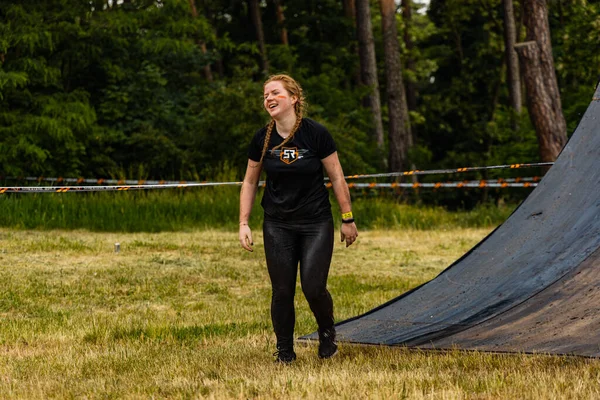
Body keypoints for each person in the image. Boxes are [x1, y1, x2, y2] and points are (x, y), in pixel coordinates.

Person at [238, 74, 359, 363]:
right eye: (265, 94)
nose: (268, 98)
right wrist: (244, 222)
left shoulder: (316, 134)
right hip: (277, 223)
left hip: (315, 221)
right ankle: (285, 351)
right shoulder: (261, 138)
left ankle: (327, 332)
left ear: (293, 98)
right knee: (281, 290)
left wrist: (347, 217)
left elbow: (337, 176)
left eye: (275, 93)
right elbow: (250, 182)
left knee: (313, 287)